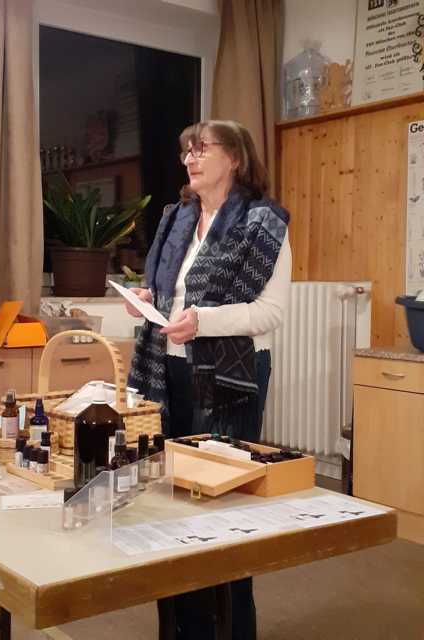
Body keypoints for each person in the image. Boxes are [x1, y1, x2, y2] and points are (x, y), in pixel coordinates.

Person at [125, 119, 291, 640]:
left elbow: (269, 313)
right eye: (186, 152)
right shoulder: (176, 218)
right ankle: (184, 628)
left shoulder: (263, 222)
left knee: (222, 509)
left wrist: (203, 322)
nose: (190, 159)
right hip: (167, 371)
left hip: (228, 376)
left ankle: (233, 629)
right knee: (171, 503)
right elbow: (169, 294)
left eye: (201, 149)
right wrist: (148, 299)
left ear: (235, 158)